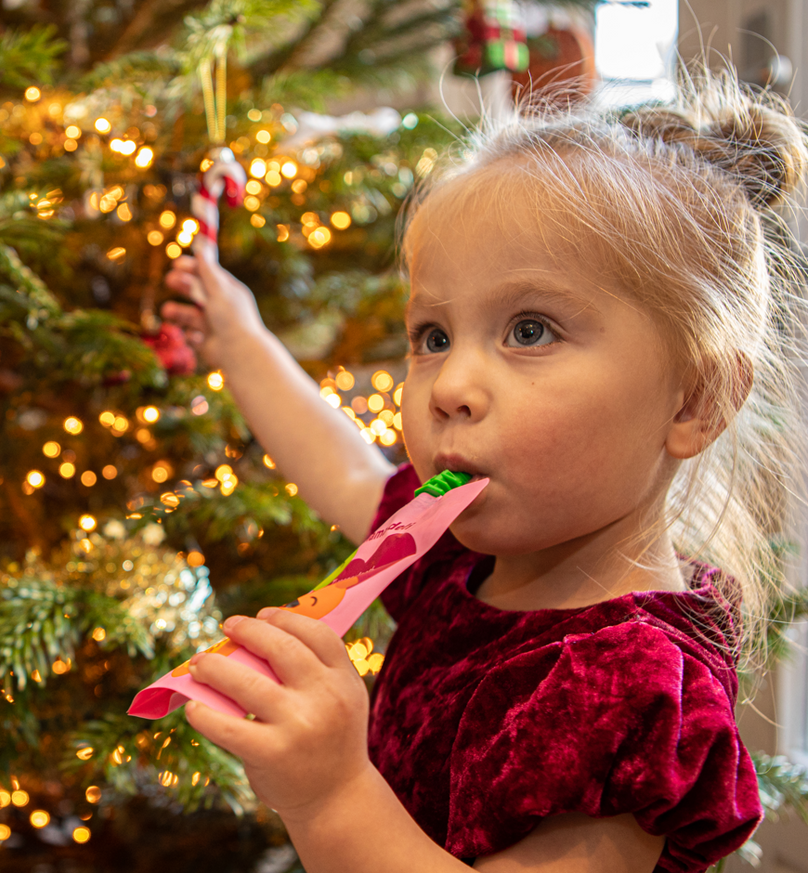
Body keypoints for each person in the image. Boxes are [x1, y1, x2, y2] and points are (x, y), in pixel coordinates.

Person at [160, 72, 808, 873]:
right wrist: (238, 335)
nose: (451, 387)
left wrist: (330, 795)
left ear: (696, 398)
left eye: (529, 329)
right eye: (432, 335)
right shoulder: (450, 556)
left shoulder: (632, 691)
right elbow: (344, 470)